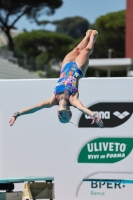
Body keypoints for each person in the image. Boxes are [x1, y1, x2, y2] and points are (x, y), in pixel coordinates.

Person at [9, 29, 104, 128]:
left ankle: (87, 35)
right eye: (63, 118)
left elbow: (35, 108)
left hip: (65, 67)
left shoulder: (52, 101)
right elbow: (82, 108)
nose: (60, 117)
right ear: (69, 113)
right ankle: (93, 36)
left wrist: (17, 114)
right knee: (86, 50)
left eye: (59, 118)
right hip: (78, 68)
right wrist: (94, 115)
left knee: (77, 49)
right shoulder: (72, 100)